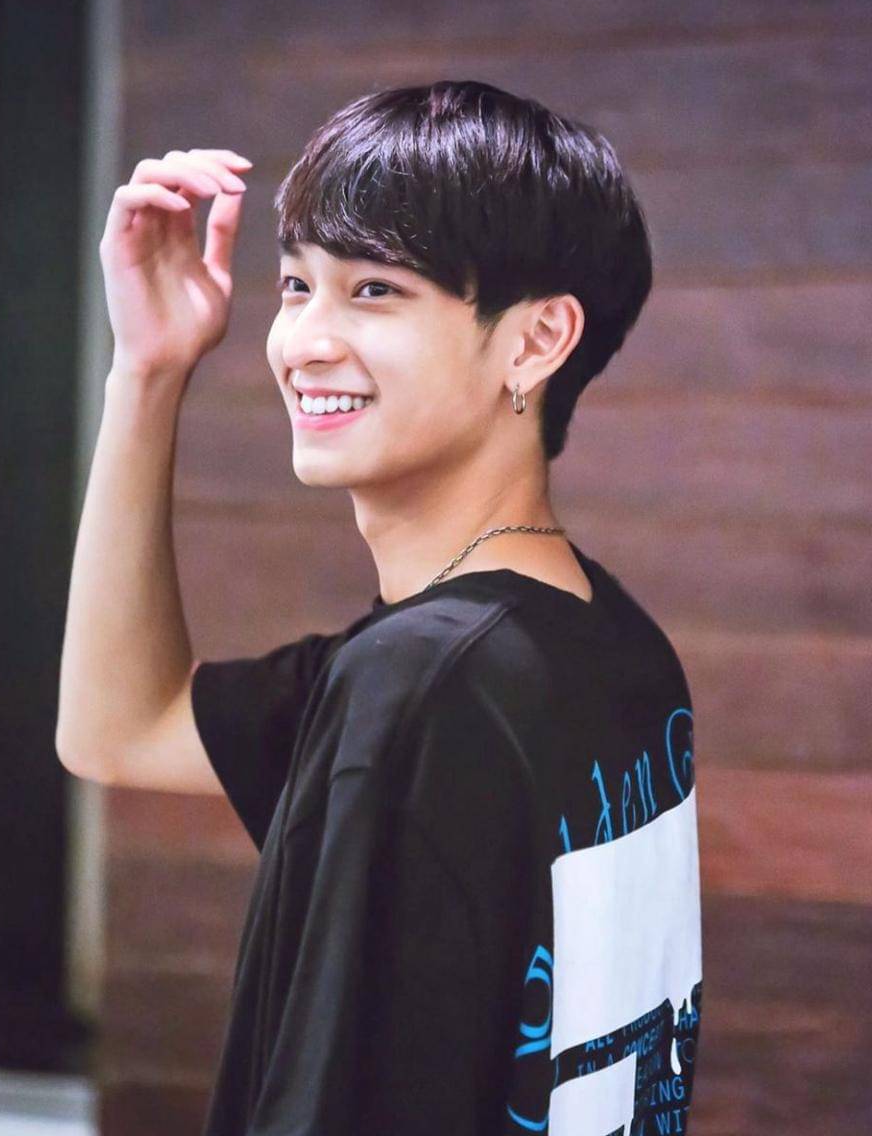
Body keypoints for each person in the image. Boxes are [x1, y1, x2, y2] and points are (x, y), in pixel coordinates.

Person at [56, 79, 703, 1135]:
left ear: (535, 341)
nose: (304, 340)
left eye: (374, 290)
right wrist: (149, 368)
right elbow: (120, 729)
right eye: (295, 284)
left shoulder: (425, 681)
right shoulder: (608, 639)